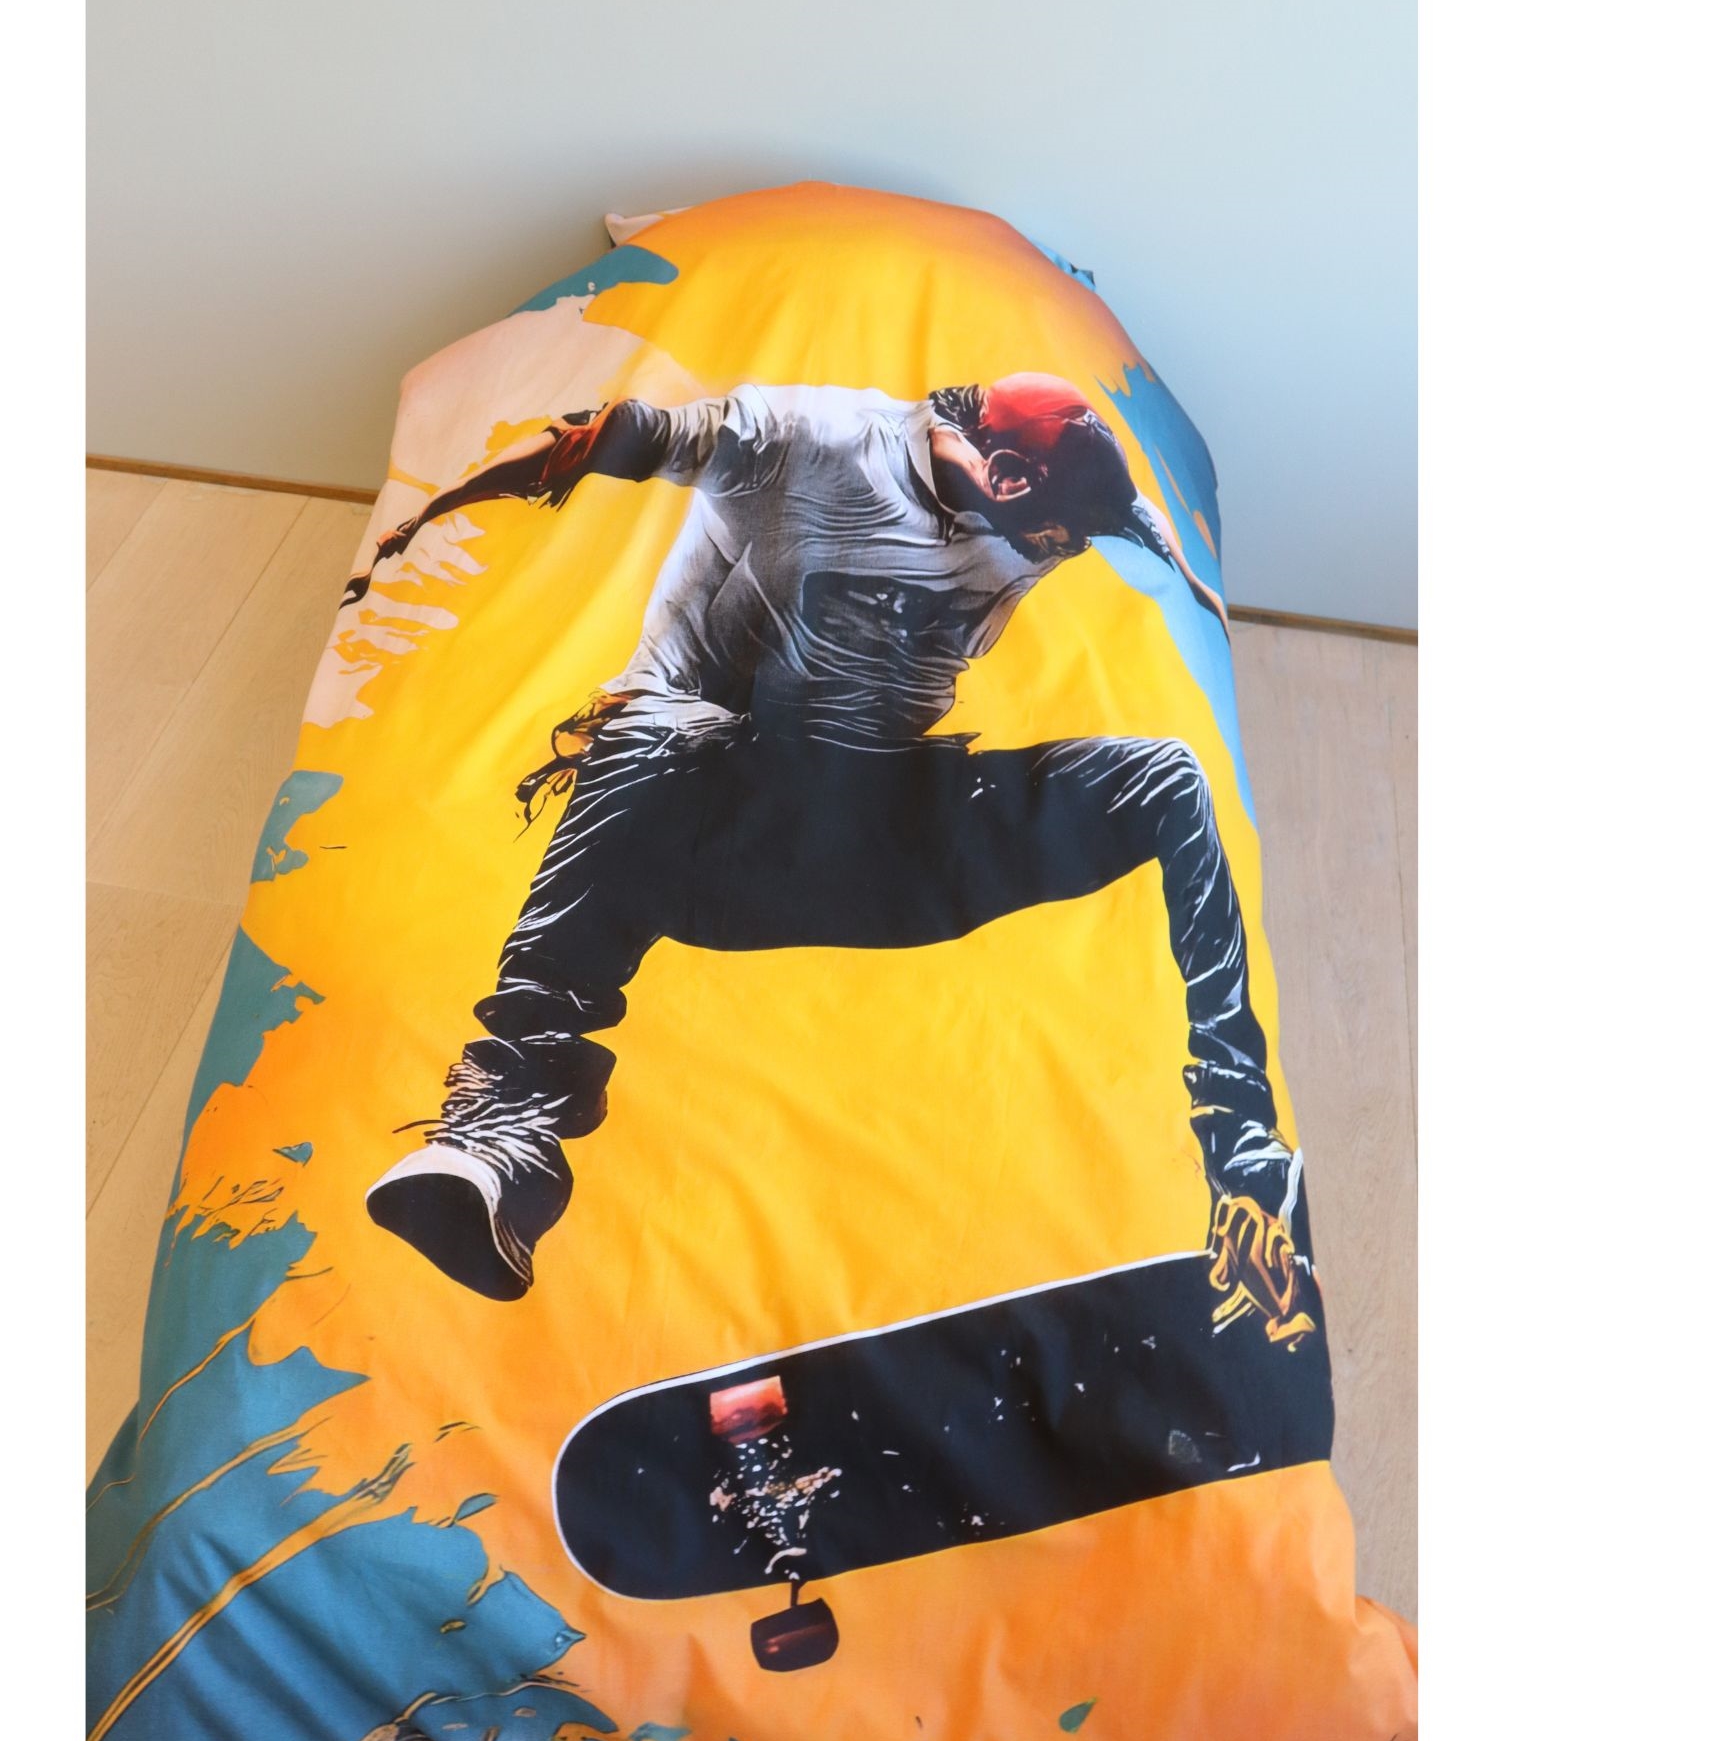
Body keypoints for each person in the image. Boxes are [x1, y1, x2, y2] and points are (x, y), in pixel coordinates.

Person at [350, 375, 1312, 1343]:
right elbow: (611, 433)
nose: (1052, 556)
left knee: (1166, 778)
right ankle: (505, 1130)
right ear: (1009, 476)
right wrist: (426, 515)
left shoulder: (1067, 502)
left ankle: (1240, 1149)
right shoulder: (805, 440)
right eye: (1051, 537)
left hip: (887, 837)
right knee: (647, 729)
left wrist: (1206, 601)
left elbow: (1155, 540)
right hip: (710, 828)